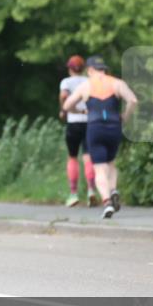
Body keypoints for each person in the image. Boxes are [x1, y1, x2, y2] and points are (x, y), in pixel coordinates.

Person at [63, 55, 138, 219]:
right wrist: (125, 117)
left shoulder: (86, 85)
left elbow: (67, 105)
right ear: (104, 69)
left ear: (90, 70)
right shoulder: (117, 83)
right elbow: (133, 100)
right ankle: (113, 190)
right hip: (114, 127)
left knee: (99, 167)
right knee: (111, 162)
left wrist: (81, 111)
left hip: (95, 127)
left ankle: (107, 201)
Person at [59, 55, 98, 207]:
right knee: (88, 157)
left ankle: (73, 194)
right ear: (83, 69)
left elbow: (64, 95)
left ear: (69, 68)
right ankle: (91, 191)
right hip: (89, 122)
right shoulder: (89, 81)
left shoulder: (66, 82)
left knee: (73, 157)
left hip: (73, 122)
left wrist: (64, 110)